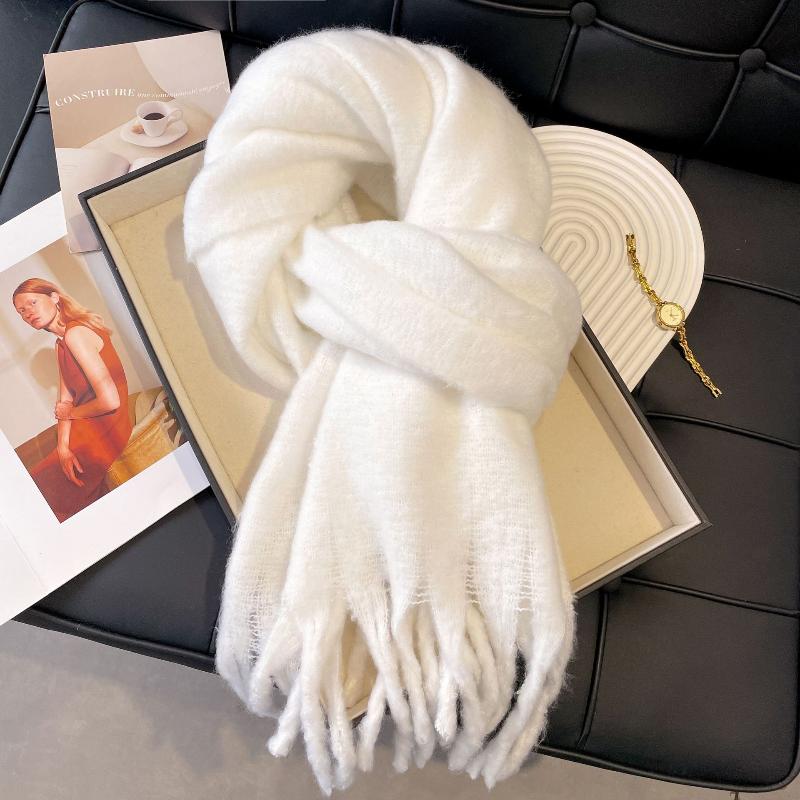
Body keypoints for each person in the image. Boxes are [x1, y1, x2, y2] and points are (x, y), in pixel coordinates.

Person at [12, 278, 132, 522]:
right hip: (86, 428)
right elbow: (64, 403)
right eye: (21, 311)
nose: (28, 313)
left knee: (32, 494)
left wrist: (71, 414)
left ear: (54, 297)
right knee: (31, 491)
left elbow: (111, 401)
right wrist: (62, 447)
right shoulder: (61, 345)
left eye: (32, 303)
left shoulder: (76, 334)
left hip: (107, 427)